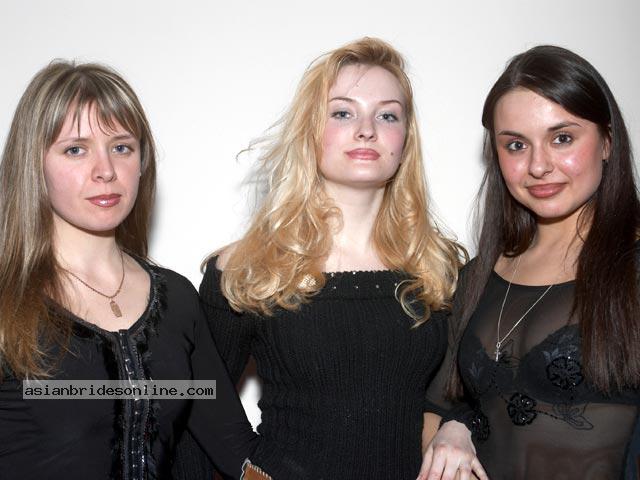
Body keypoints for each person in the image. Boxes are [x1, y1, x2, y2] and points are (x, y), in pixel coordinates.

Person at [195, 37, 465, 478]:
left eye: (387, 115)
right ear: (310, 129)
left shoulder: (438, 268)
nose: (366, 129)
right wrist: (250, 472)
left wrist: (458, 425)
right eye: (342, 113)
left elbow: (466, 393)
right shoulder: (248, 267)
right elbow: (196, 399)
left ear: (405, 139)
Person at [0, 61, 268, 480]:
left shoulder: (177, 299)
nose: (105, 170)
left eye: (122, 147)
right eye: (76, 149)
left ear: (142, 161)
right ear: (34, 164)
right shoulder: (6, 300)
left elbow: (237, 452)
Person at [419, 45, 640, 480]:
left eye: (562, 138)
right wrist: (450, 432)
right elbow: (437, 405)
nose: (538, 165)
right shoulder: (478, 277)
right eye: (516, 145)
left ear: (608, 141)